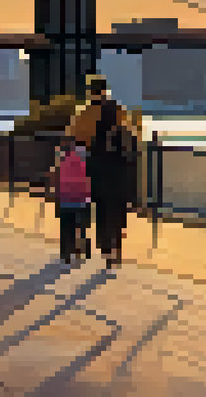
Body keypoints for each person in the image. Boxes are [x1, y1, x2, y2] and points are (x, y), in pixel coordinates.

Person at [66, 74, 138, 269]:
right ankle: (114, 248)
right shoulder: (118, 111)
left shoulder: (84, 114)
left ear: (91, 91)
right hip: (118, 167)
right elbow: (131, 136)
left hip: (94, 165)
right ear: (106, 91)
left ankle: (86, 242)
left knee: (90, 206)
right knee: (115, 207)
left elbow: (73, 139)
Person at [49, 135, 92, 267]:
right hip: (80, 198)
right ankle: (79, 250)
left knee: (66, 227)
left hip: (66, 198)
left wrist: (55, 194)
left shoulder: (62, 159)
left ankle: (67, 254)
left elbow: (55, 177)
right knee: (79, 226)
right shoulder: (83, 158)